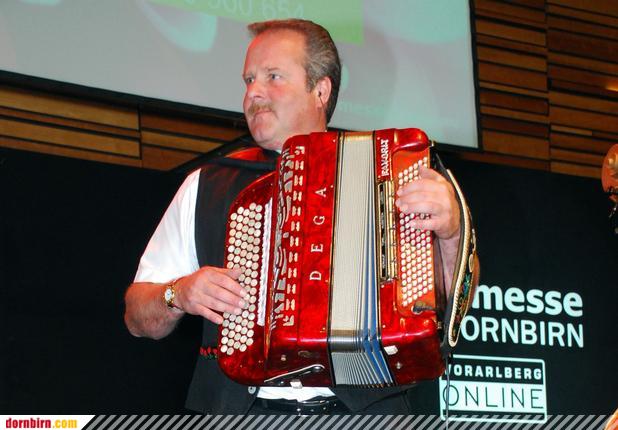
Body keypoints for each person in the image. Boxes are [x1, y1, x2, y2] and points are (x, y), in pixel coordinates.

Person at [124, 19, 477, 414]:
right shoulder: (207, 183)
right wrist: (178, 293)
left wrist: (452, 234)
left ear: (320, 90)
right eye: (249, 80)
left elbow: (452, 303)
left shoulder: (391, 171)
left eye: (273, 76)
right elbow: (137, 315)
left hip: (364, 413)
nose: (254, 92)